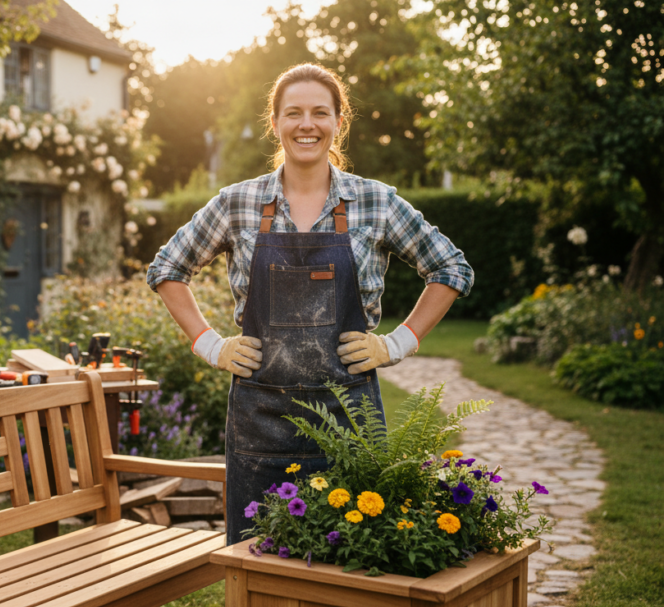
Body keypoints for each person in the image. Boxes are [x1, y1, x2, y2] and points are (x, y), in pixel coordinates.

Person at [146, 63, 474, 545]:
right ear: (275, 122)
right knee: (256, 558)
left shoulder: (375, 202)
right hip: (260, 420)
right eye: (294, 112)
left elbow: (451, 269)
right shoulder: (237, 203)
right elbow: (167, 269)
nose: (307, 124)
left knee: (348, 562)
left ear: (339, 121)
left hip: (350, 419)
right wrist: (210, 344)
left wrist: (398, 343)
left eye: (320, 112)